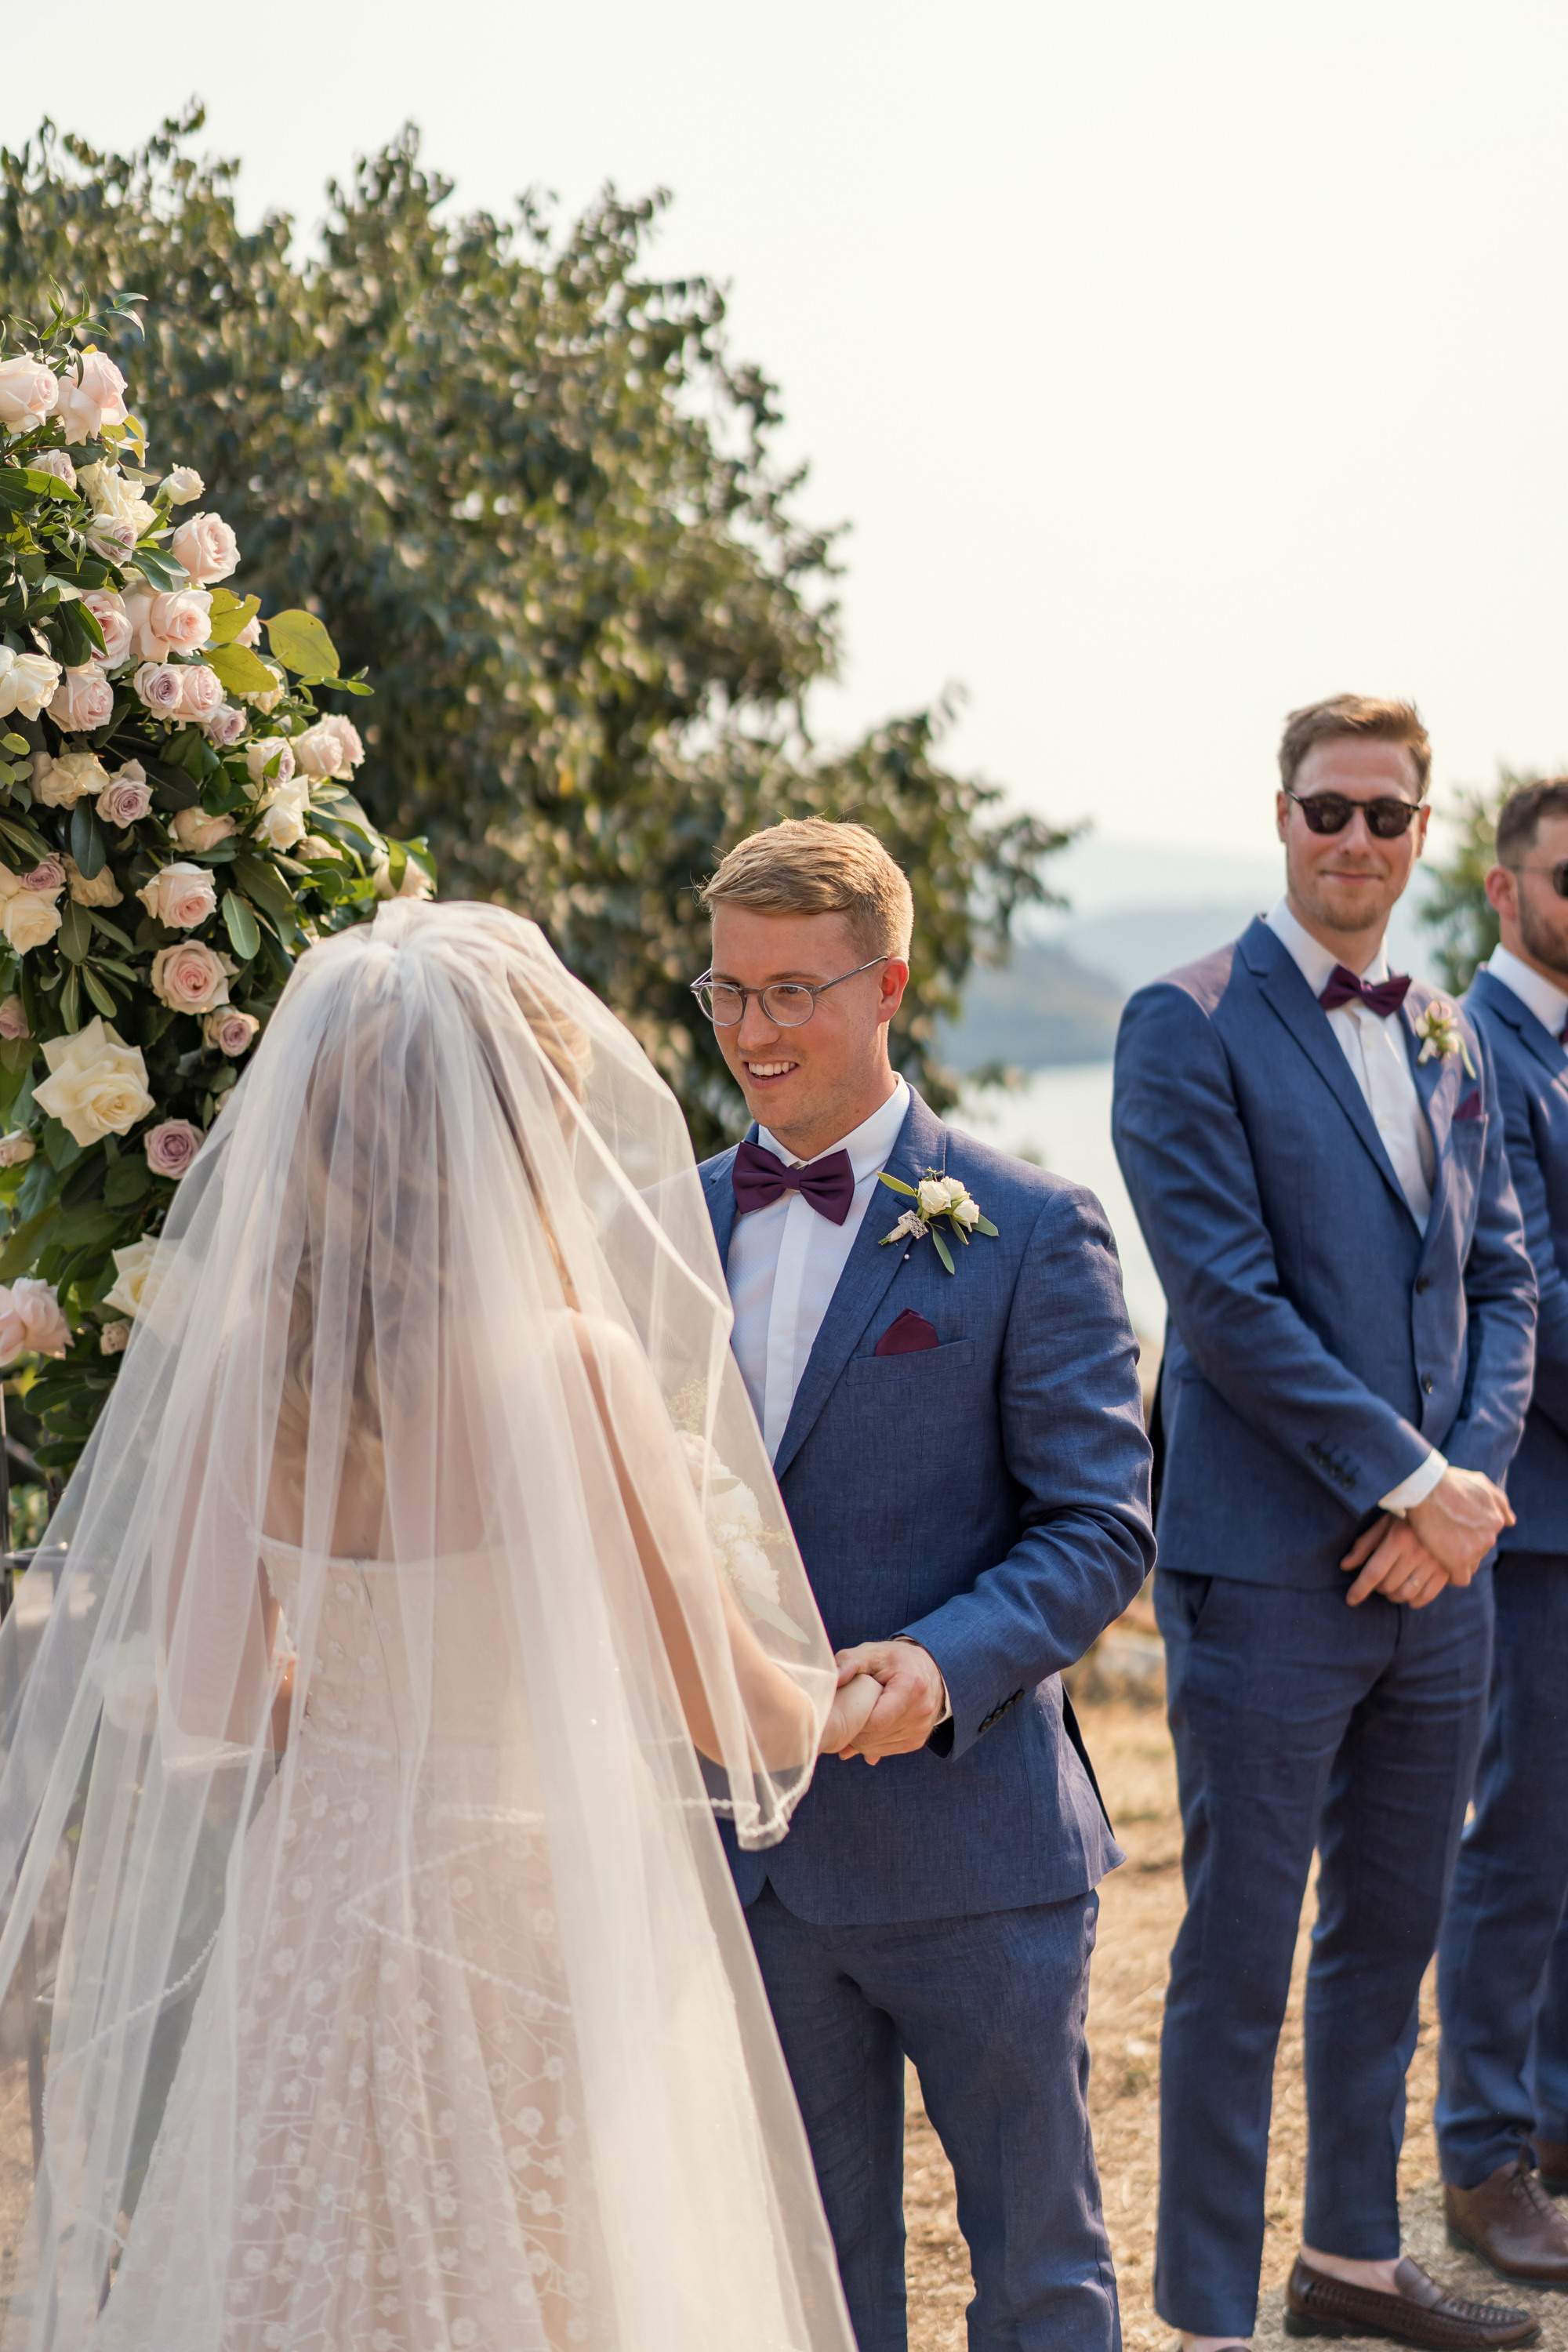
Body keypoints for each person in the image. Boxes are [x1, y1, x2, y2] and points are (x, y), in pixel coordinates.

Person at [0, 900, 882, 2352]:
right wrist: (853, 1693)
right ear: (516, 1127)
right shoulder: (575, 1368)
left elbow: (220, 1699)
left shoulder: (241, 1372)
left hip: (315, 1907)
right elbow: (747, 1724)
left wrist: (356, 1704)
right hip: (528, 1915)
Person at [691, 818, 1156, 2352]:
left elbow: (1097, 1526)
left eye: (792, 993)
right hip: (752, 1863)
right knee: (814, 2289)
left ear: (887, 985)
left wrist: (942, 1669)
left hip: (979, 1858)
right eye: (727, 993)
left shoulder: (1029, 1228)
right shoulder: (659, 1233)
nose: (754, 1033)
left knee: (1037, 2274)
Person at [1112, 696, 1538, 2352]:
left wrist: (1459, 1494)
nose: (1354, 840)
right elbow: (1223, 1304)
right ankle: (1210, 2312)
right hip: (1263, 1568)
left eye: (1386, 816)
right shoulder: (1182, 1020)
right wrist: (1403, 1481)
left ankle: (1351, 2260)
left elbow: (1499, 1276)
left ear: (1423, 834)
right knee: (1236, 1953)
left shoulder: (1445, 1026)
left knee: (1395, 1926)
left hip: (1440, 1579)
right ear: (1276, 816)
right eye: (1326, 810)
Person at [1435, 778, 1568, 2281]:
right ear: (1505, 889)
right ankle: (1482, 2157)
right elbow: (1532, 1296)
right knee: (1517, 1841)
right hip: (1526, 1516)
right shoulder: (1478, 1045)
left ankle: (1556, 2112)